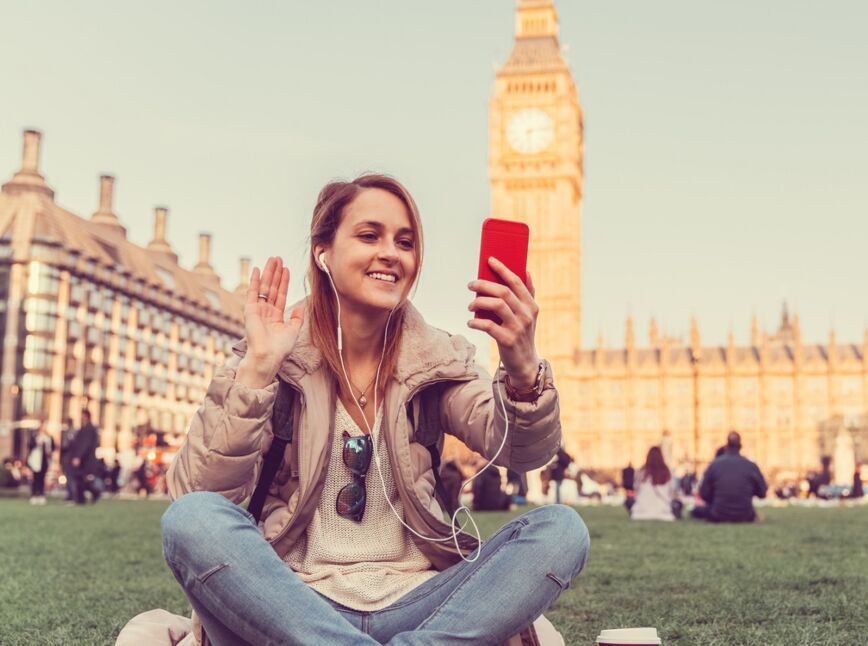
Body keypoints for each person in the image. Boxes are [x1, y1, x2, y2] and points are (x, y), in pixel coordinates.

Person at [154, 174, 586, 644]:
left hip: (419, 600)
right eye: (368, 235)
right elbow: (198, 493)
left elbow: (520, 453)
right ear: (323, 251)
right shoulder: (269, 352)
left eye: (405, 241)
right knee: (190, 520)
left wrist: (523, 370)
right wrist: (258, 371)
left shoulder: (437, 359)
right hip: (294, 602)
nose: (391, 253)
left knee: (561, 529)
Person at [691, 431, 767, 522]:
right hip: (745, 515)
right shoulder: (751, 466)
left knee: (696, 511)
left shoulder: (714, 464)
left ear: (727, 445)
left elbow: (704, 493)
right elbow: (762, 493)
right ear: (740, 446)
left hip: (718, 514)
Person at [630, 446, 678, 521]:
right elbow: (672, 491)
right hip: (663, 511)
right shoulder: (667, 472)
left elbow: (636, 489)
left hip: (641, 512)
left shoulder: (641, 472)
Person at [68, 410, 101, 504]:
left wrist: (78, 456)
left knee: (80, 478)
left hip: (85, 459)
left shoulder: (88, 429)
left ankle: (90, 494)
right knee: (81, 479)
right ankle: (85, 496)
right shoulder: (86, 428)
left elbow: (84, 444)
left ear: (86, 416)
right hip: (84, 459)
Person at [26, 423, 55, 505]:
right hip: (36, 460)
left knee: (42, 478)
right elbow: (29, 445)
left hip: (44, 461)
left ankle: (41, 495)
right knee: (35, 478)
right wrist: (36, 443)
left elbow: (53, 448)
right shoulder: (35, 437)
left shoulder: (48, 438)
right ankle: (34, 494)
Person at [59, 417, 77, 503]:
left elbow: (68, 445)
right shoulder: (67, 432)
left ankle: (72, 495)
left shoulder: (72, 432)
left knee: (70, 477)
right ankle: (70, 494)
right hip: (66, 457)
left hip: (69, 457)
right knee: (68, 477)